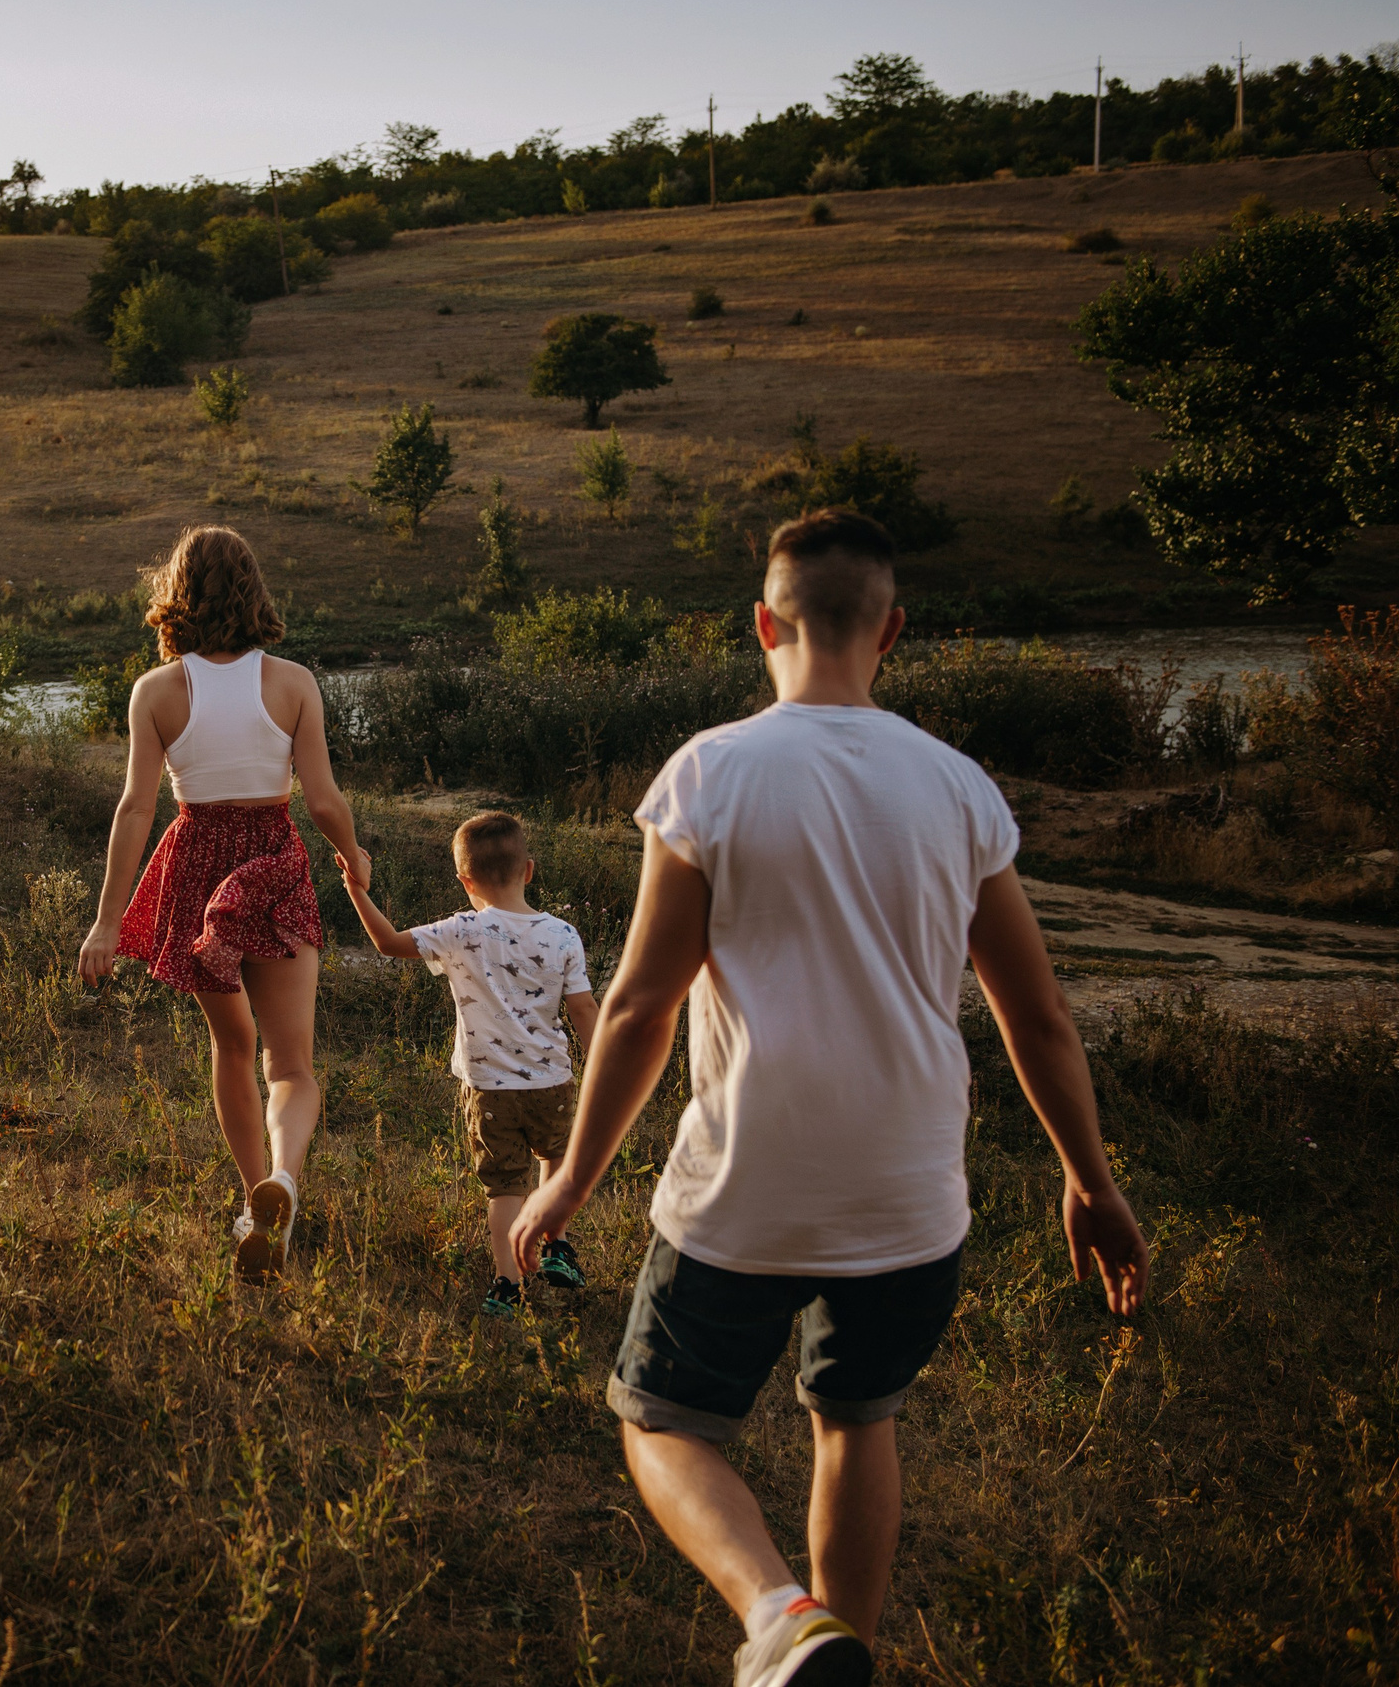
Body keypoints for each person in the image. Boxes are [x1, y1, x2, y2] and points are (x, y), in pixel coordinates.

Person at [510, 507, 1150, 1687]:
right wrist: (1090, 1182)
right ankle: (837, 1651)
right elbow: (1037, 1017)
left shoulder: (711, 771)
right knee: (856, 1417)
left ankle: (778, 1617)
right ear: (891, 632)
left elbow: (644, 1005)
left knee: (662, 1419)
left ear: (763, 623)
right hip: (910, 1190)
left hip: (748, 1181)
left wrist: (568, 1178)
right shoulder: (958, 788)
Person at [79, 526, 368, 1283]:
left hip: (197, 866)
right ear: (253, 590)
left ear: (175, 595)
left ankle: (253, 1201)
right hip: (274, 861)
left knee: (233, 1050)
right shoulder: (293, 682)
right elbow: (324, 797)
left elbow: (136, 809)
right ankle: (286, 1181)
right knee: (293, 1065)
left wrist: (107, 921)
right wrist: (354, 853)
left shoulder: (156, 692)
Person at [338, 811, 600, 1318]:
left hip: (490, 1091)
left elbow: (388, 943)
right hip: (554, 1081)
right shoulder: (564, 935)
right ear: (529, 870)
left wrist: (356, 890)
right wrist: (603, 1069)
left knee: (504, 1187)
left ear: (465, 881)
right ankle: (556, 1244)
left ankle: (507, 1283)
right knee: (555, 1159)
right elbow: (584, 1009)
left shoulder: (461, 931)